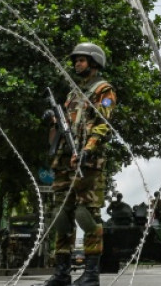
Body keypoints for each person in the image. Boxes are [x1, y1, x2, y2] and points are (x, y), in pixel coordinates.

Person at [37, 42, 115, 286]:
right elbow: (66, 128)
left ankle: (91, 274)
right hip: (64, 162)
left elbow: (103, 124)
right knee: (62, 216)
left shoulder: (103, 90)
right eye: (75, 60)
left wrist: (87, 150)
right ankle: (61, 272)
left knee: (87, 214)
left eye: (81, 60)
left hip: (87, 163)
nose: (76, 64)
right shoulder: (72, 95)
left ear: (93, 62)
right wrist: (52, 121)